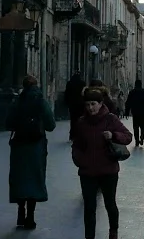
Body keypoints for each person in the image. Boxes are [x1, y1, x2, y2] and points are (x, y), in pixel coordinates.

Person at [70, 85, 132, 239]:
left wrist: (114, 136)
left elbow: (128, 136)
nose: (91, 108)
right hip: (87, 171)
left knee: (109, 204)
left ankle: (113, 232)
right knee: (89, 206)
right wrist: (79, 160)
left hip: (108, 170)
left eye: (94, 104)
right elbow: (77, 145)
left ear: (100, 104)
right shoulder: (82, 123)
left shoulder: (110, 119)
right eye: (88, 104)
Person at [7, 72, 56, 229]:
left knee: (20, 178)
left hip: (19, 146)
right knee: (35, 178)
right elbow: (51, 125)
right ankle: (31, 217)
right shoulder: (41, 101)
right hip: (37, 146)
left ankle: (20, 212)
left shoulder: (17, 101)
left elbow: (8, 123)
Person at [125, 81, 144, 146]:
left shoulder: (132, 92)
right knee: (143, 126)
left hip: (135, 112)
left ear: (135, 85)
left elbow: (128, 103)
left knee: (136, 127)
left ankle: (137, 141)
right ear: (141, 85)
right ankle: (142, 137)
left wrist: (126, 112)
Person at [63, 71, 85, 138]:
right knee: (80, 119)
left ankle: (72, 134)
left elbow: (66, 94)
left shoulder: (69, 83)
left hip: (72, 105)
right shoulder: (82, 83)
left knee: (73, 120)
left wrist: (67, 103)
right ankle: (79, 134)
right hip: (81, 104)